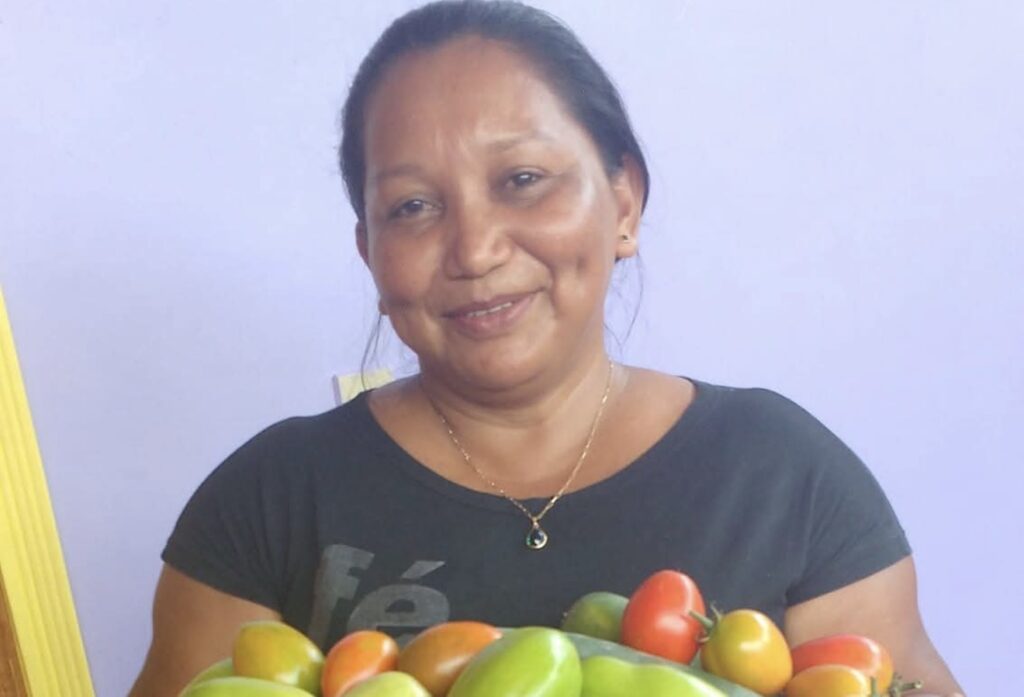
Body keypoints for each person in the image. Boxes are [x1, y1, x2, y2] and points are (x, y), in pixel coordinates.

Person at [130, 2, 964, 695]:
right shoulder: (267, 500)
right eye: (413, 206)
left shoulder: (782, 475)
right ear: (370, 255)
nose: (476, 248)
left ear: (624, 203)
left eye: (521, 180)